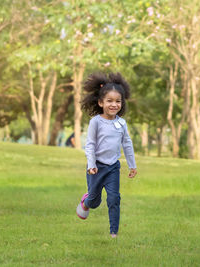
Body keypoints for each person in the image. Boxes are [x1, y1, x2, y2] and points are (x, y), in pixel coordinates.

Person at [76, 72, 137, 238]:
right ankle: (86, 201)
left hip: (112, 168)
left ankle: (113, 233)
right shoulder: (95, 121)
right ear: (101, 102)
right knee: (95, 202)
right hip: (96, 167)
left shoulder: (121, 123)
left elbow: (127, 144)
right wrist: (91, 165)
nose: (114, 104)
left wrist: (132, 165)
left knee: (114, 199)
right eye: (109, 101)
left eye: (118, 101)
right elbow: (90, 144)